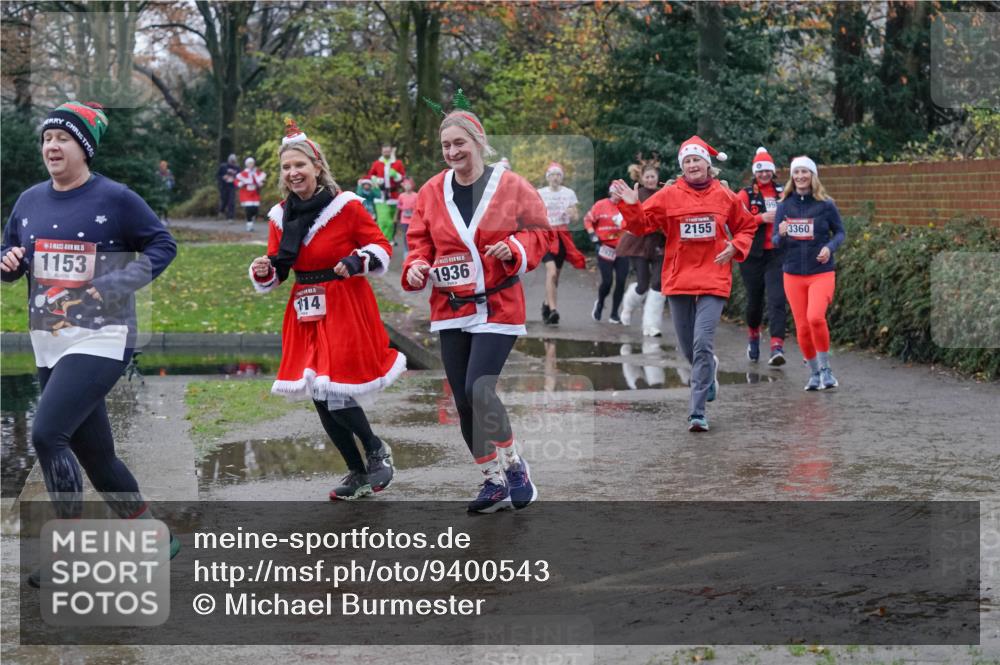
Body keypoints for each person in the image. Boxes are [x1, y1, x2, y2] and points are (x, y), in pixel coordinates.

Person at [1, 101, 179, 580]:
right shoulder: (29, 201)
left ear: (84, 148)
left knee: (46, 433)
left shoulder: (116, 198)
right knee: (96, 455)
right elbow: (10, 254)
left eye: (61, 139)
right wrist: (9, 263)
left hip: (104, 335)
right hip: (49, 338)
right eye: (46, 139)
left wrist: (116, 283)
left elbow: (163, 245)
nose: (51, 147)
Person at [402, 107, 552, 513]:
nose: (452, 151)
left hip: (499, 304)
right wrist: (416, 266)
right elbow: (418, 243)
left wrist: (516, 247)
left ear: (478, 142)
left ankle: (516, 466)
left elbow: (541, 232)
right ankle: (492, 480)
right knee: (464, 402)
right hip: (451, 307)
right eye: (446, 145)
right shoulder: (432, 191)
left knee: (479, 389)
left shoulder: (512, 186)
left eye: (459, 143)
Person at [250, 119, 405, 500]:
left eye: (300, 165)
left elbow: (382, 246)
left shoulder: (346, 206)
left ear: (317, 167)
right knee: (319, 394)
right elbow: (278, 268)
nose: (293, 172)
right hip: (304, 306)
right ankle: (356, 471)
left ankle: (375, 450)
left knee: (333, 388)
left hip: (343, 301)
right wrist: (263, 269)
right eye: (287, 167)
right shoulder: (279, 216)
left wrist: (357, 260)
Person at [612, 136, 757, 433]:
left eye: (697, 159)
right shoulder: (669, 195)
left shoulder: (725, 196)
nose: (692, 164)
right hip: (679, 277)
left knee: (703, 342)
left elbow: (747, 224)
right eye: (687, 160)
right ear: (682, 167)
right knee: (687, 346)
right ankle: (707, 372)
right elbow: (640, 225)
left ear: (708, 164)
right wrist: (631, 206)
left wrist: (737, 246)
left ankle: (697, 411)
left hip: (714, 275)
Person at [772, 156, 846, 391]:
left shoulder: (826, 205)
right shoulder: (784, 205)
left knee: (815, 317)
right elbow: (775, 241)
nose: (800, 176)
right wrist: (781, 233)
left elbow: (840, 233)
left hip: (821, 272)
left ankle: (826, 370)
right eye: (796, 172)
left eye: (805, 172)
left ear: (812, 176)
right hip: (792, 273)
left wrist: (829, 247)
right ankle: (814, 374)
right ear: (792, 177)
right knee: (802, 327)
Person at [736, 147, 788, 366]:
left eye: (768, 170)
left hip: (776, 253)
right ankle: (753, 336)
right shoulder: (746, 194)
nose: (764, 174)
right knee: (755, 302)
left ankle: (777, 346)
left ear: (773, 171)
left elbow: (795, 213)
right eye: (760, 170)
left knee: (777, 299)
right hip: (752, 255)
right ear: (754, 172)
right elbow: (737, 221)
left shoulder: (783, 192)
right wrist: (761, 219)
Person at [617, 160, 666, 335]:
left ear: (657, 177)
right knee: (643, 284)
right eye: (648, 177)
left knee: (659, 283)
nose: (651, 180)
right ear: (642, 178)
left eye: (653, 176)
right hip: (638, 243)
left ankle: (651, 325)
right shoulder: (637, 194)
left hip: (660, 242)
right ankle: (628, 306)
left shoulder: (664, 193)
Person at [537, 162, 585, 325]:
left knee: (555, 277)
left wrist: (572, 213)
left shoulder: (568, 193)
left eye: (558, 175)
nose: (555, 177)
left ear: (561, 177)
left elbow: (575, 216)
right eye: (552, 175)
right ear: (548, 177)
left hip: (562, 234)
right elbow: (533, 213)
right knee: (550, 272)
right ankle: (553, 310)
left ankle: (545, 304)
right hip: (546, 234)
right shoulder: (540, 193)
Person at [584, 183, 628, 323]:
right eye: (615, 192)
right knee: (607, 281)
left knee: (621, 281)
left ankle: (614, 313)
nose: (617, 196)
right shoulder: (600, 205)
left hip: (622, 248)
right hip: (605, 248)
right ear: (610, 192)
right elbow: (588, 220)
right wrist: (592, 235)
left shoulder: (627, 206)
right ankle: (600, 303)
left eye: (620, 193)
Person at [366, 143, 405, 242]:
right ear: (382, 151)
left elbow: (403, 179)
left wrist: (396, 175)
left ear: (391, 151)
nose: (386, 152)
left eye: (388, 151)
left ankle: (389, 239)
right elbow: (370, 175)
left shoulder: (398, 163)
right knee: (384, 221)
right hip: (380, 195)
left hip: (393, 196)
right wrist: (376, 179)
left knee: (391, 222)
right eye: (384, 151)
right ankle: (384, 242)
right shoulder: (377, 163)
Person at [236, 156, 266, 232]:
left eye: (252, 163)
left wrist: (260, 183)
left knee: (255, 210)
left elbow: (261, 180)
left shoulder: (257, 172)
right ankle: (249, 225)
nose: (251, 165)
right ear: (246, 164)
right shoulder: (243, 173)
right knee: (249, 209)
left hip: (254, 193)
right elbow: (236, 181)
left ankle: (251, 220)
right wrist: (241, 183)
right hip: (246, 193)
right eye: (249, 163)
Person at [395, 176, 418, 259]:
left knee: (414, 235)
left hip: (413, 220)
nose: (407, 186)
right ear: (403, 186)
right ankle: (406, 252)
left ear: (412, 185)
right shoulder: (401, 196)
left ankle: (414, 251)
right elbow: (398, 206)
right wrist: (396, 216)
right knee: (405, 235)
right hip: (404, 220)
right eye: (406, 185)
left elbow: (418, 207)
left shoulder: (416, 195)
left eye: (409, 185)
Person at [217, 154, 239, 220]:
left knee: (231, 201)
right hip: (224, 186)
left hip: (232, 186)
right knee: (224, 200)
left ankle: (230, 217)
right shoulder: (223, 166)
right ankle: (221, 211)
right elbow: (218, 175)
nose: (232, 162)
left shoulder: (237, 168)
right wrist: (223, 177)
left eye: (234, 160)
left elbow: (240, 176)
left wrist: (235, 179)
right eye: (231, 160)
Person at [156, 159, 175, 224]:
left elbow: (172, 181)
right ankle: (159, 219)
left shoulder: (169, 172)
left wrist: (170, 185)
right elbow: (156, 182)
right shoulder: (157, 173)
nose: (163, 167)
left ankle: (166, 218)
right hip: (159, 192)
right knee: (160, 205)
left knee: (166, 205)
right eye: (162, 166)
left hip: (166, 191)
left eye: (164, 166)